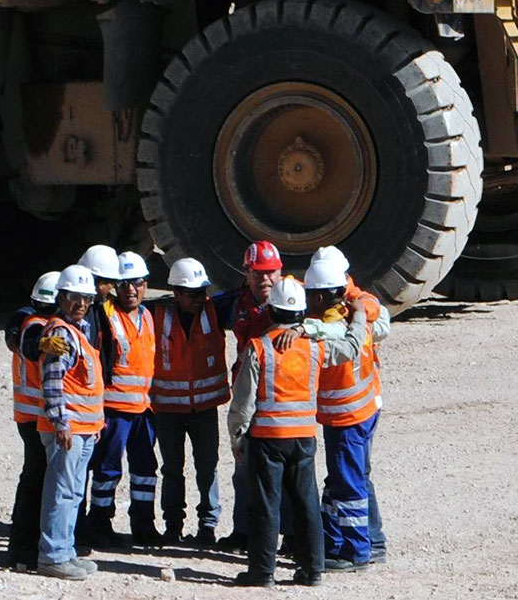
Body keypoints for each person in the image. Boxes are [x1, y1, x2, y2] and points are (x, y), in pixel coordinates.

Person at [227, 278, 370, 587]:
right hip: (304, 438)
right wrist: (359, 315)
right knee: (306, 503)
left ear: (272, 311)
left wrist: (237, 438)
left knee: (266, 505)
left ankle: (263, 573)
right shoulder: (315, 347)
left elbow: (242, 402)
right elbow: (353, 346)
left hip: (267, 439)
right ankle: (312, 569)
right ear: (302, 313)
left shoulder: (259, 348)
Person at [304, 245, 391, 564]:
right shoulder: (356, 313)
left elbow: (324, 332)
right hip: (361, 411)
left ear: (319, 297)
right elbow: (378, 316)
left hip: (346, 419)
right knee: (346, 478)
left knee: (349, 482)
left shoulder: (332, 328)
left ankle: (356, 551)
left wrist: (301, 327)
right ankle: (361, 541)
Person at [85, 252, 163, 547]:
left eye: (138, 283)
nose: (131, 289)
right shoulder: (105, 315)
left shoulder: (148, 316)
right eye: (125, 284)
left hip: (144, 409)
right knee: (107, 468)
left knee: (145, 469)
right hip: (114, 408)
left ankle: (144, 525)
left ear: (146, 285)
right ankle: (99, 523)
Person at [210, 240, 284, 551]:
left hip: (280, 396)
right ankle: (243, 531)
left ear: (280, 273)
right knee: (242, 464)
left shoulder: (295, 299)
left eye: (271, 273)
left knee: (284, 469)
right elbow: (190, 305)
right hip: (246, 394)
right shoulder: (235, 303)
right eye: (258, 273)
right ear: (247, 274)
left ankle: (289, 536)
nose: (265, 279)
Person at [151, 257, 229, 545]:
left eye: (202, 292)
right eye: (193, 294)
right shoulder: (156, 313)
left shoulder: (214, 311)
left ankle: (207, 527)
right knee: (172, 468)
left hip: (204, 408)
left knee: (207, 466)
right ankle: (173, 526)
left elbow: (247, 299)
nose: (200, 299)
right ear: (177, 293)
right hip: (168, 409)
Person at [35, 265, 106, 580]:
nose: (80, 304)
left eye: (86, 299)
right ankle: (52, 555)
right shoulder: (61, 334)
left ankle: (65, 551)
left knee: (73, 492)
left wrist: (95, 425)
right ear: (61, 297)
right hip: (68, 430)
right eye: (74, 298)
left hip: (83, 430)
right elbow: (52, 382)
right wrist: (61, 423)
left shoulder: (78, 332)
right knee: (62, 491)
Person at [4, 271, 60, 571]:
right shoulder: (34, 324)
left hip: (31, 417)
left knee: (35, 481)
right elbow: (29, 340)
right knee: (37, 482)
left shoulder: (28, 318)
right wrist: (42, 344)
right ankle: (24, 548)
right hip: (37, 419)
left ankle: (25, 546)